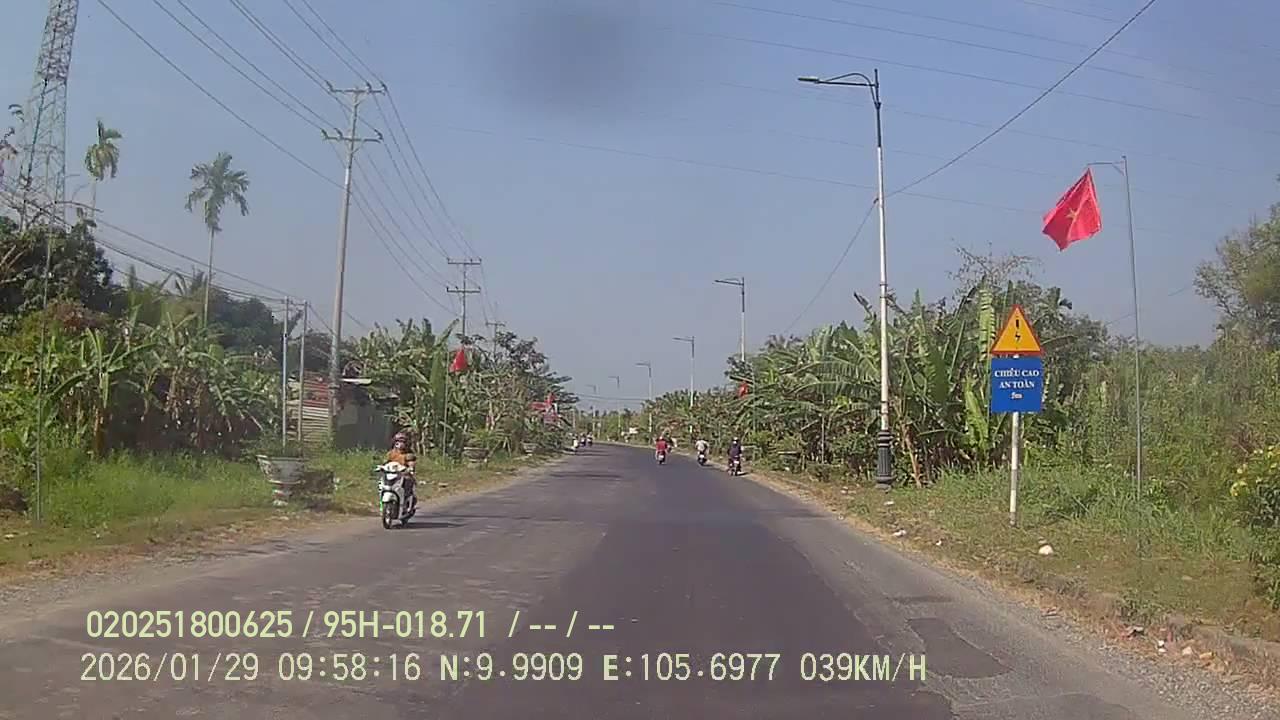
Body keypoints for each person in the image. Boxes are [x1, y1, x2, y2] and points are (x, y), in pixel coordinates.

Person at [386, 431, 417, 504]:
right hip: (392, 474)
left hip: (403, 475)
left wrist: (410, 468)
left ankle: (406, 498)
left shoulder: (408, 454)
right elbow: (386, 462)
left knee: (408, 480)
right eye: (398, 441)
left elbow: (411, 463)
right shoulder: (391, 453)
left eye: (402, 442)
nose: (400, 444)